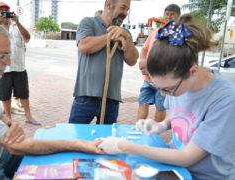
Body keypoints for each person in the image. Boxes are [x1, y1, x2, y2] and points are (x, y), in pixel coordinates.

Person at [0, 20, 104, 180]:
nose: (8, 62)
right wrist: (75, 144)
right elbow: (15, 145)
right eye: (3, 56)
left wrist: (7, 123)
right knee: (34, 149)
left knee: (45, 153)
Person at [98, 14, 235, 179]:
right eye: (159, 88)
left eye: (168, 89)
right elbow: (183, 114)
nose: (164, 94)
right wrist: (161, 125)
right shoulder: (177, 84)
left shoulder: (225, 100)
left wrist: (124, 145)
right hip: (173, 165)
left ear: (193, 71)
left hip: (202, 175)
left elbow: (187, 158)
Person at [69, 0, 139, 125]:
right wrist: (110, 36)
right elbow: (84, 46)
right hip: (86, 97)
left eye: (127, 10)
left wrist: (127, 39)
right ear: (108, 5)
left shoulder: (124, 33)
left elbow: (133, 60)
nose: (125, 13)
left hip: (111, 101)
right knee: (75, 139)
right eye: (123, 8)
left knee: (106, 142)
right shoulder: (88, 22)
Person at [0, 2, 40, 125]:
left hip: (19, 67)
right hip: (3, 68)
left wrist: (18, 22)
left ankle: (29, 116)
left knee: (23, 93)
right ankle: (8, 117)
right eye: (1, 10)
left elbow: (27, 38)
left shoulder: (16, 26)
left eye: (6, 10)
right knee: (5, 94)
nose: (4, 12)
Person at [137, 4, 181, 123]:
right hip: (147, 79)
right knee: (142, 103)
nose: (169, 16)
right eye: (167, 14)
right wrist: (142, 60)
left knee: (160, 107)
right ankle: (139, 129)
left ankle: (156, 132)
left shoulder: (178, 35)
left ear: (178, 17)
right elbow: (145, 49)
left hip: (163, 81)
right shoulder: (155, 31)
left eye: (172, 14)